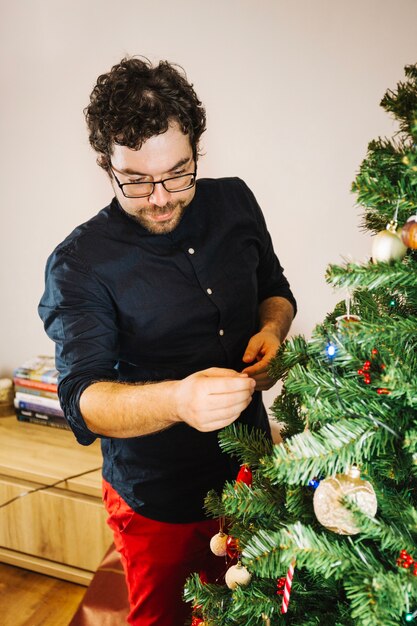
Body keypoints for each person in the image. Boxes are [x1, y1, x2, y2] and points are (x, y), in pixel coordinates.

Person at [39, 56, 296, 626]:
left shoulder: (236, 202)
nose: (159, 197)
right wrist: (179, 400)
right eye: (135, 180)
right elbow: (83, 399)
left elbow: (275, 290)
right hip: (159, 502)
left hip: (256, 476)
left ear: (197, 151)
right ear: (106, 163)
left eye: (179, 173)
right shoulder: (79, 263)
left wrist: (272, 330)